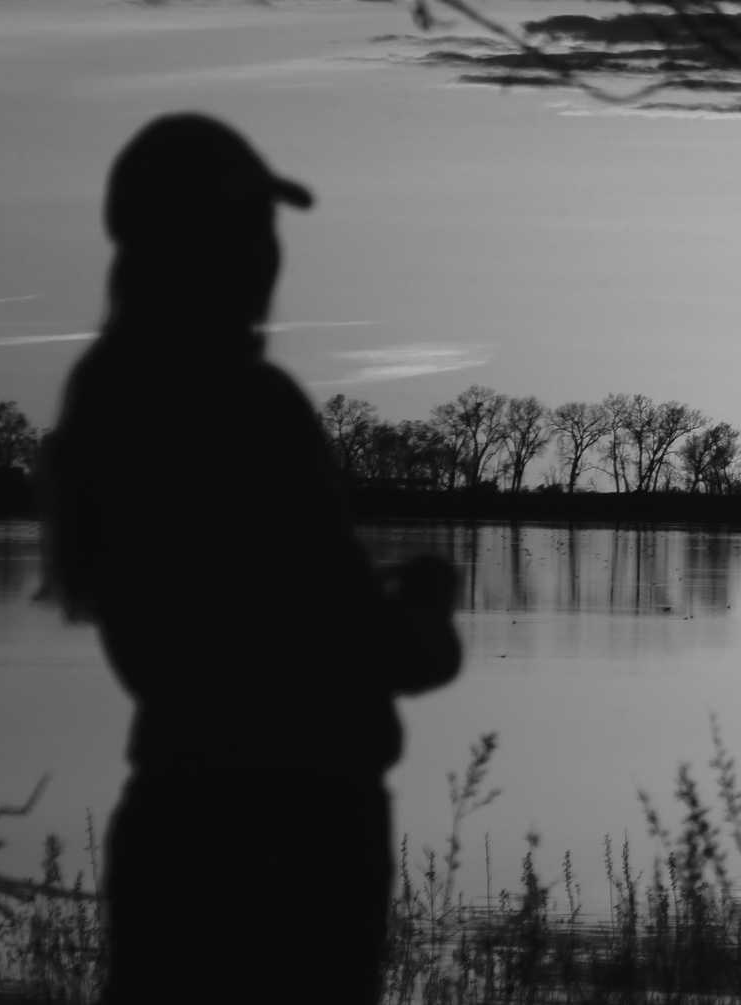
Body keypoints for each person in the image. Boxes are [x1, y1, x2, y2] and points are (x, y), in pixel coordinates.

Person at [38, 112, 461, 1005]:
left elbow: (231, 614)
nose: (271, 253)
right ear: (209, 245)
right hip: (293, 839)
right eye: (252, 229)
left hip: (175, 818)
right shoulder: (247, 406)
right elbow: (348, 641)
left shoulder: (107, 403)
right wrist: (424, 616)